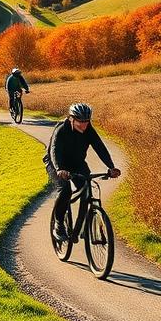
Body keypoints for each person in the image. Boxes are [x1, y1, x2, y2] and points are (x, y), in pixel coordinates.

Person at [43, 103, 121, 243]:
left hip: (77, 163)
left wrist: (111, 167)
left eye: (86, 121)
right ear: (71, 119)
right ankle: (59, 223)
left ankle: (84, 226)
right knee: (65, 190)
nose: (84, 125)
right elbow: (55, 151)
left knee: (86, 186)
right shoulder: (61, 130)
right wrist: (60, 169)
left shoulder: (89, 130)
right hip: (56, 164)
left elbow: (100, 148)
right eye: (80, 121)